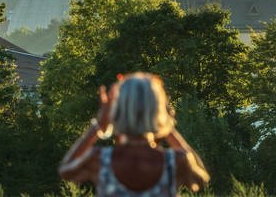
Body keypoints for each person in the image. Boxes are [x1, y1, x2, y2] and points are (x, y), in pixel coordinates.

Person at [59, 73, 210, 196]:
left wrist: (100, 124)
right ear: (156, 110)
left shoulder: (99, 159)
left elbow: (66, 170)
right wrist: (167, 126)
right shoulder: (176, 162)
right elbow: (201, 178)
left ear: (118, 111)